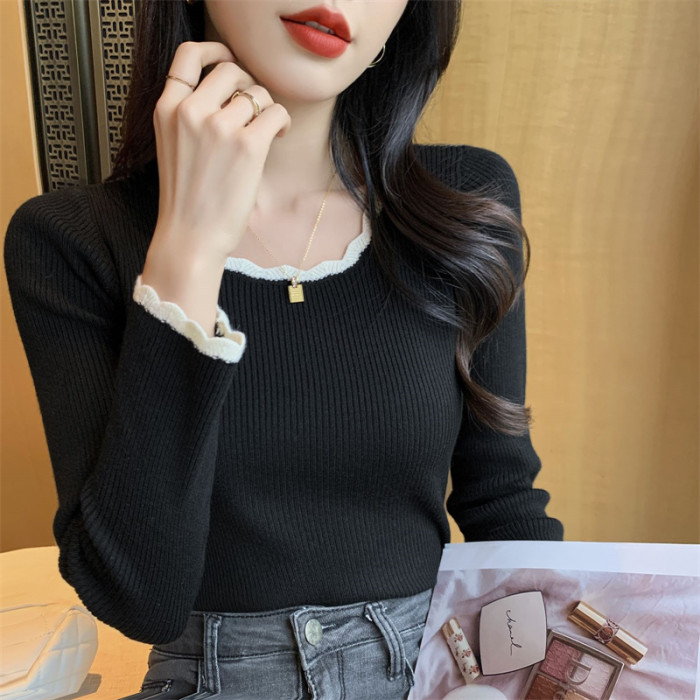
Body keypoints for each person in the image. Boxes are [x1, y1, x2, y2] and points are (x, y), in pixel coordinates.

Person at [4, 0, 564, 697]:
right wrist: (189, 245)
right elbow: (139, 599)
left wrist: (542, 672)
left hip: (433, 672)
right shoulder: (70, 242)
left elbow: (503, 503)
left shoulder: (466, 203)